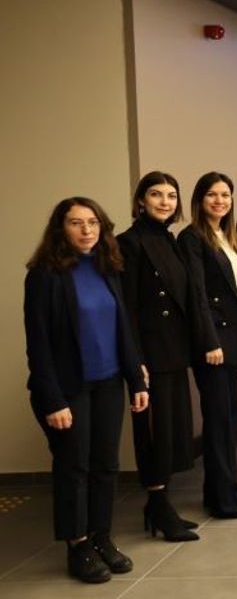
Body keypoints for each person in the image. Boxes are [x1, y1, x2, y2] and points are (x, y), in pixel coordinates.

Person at [25, 198, 149, 583]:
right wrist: (53, 399)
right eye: (76, 223)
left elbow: (123, 328)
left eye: (92, 222)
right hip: (69, 389)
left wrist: (136, 378)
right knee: (74, 466)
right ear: (60, 228)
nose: (86, 230)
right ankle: (77, 546)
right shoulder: (44, 276)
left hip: (109, 382)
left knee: (105, 464)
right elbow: (38, 344)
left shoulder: (107, 266)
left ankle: (100, 537)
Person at [117, 171, 200, 541]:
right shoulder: (129, 243)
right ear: (141, 200)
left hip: (174, 350)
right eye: (156, 194)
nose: (165, 202)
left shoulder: (169, 239)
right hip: (149, 355)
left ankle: (160, 504)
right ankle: (158, 504)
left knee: (171, 431)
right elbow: (128, 309)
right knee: (154, 433)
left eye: (171, 195)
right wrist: (136, 362)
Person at [176, 172, 237, 518]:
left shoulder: (228, 236)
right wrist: (209, 340)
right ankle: (225, 498)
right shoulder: (192, 237)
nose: (220, 201)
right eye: (212, 194)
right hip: (214, 343)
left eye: (225, 194)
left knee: (228, 417)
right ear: (199, 199)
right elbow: (196, 294)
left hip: (233, 340)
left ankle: (218, 492)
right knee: (220, 419)